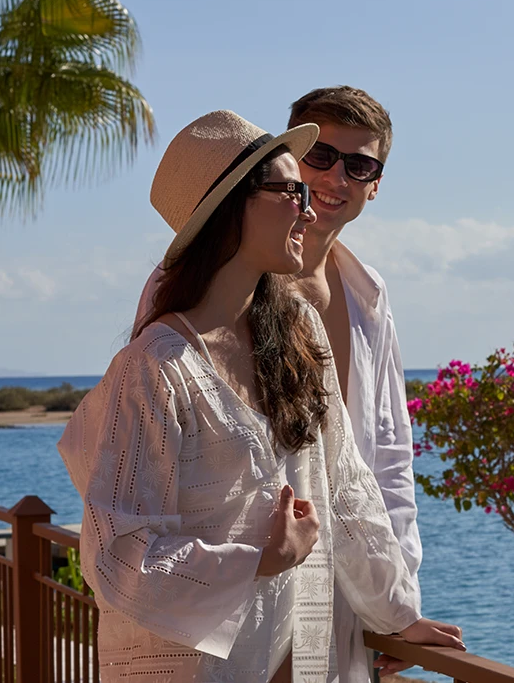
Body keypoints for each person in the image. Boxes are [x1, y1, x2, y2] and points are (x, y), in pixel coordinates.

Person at [60, 110, 463, 682]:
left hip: (304, 659)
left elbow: (348, 491)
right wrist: (259, 561)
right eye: (289, 190)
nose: (307, 206)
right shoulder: (155, 367)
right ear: (229, 212)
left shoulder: (297, 332)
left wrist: (398, 614)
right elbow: (118, 551)